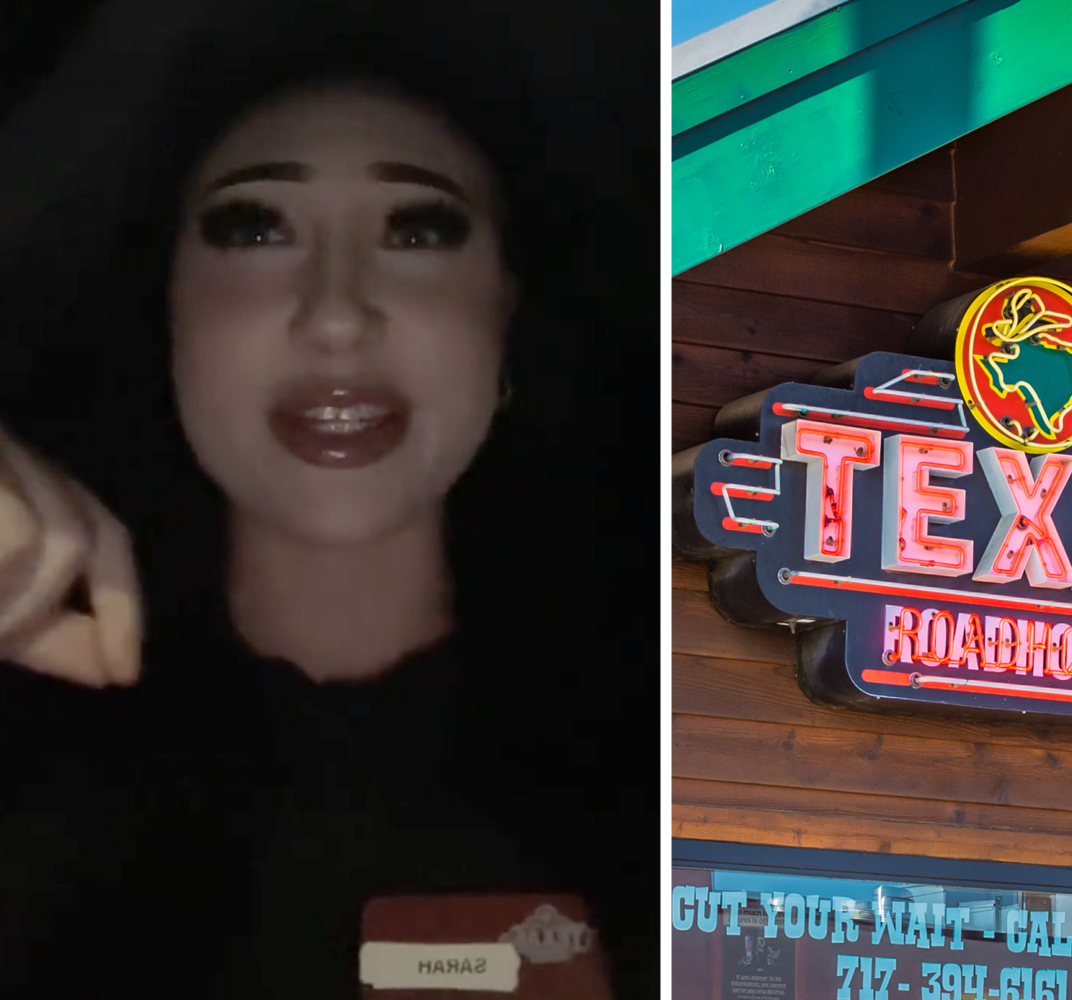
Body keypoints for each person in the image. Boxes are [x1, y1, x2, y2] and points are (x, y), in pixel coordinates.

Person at [0, 6, 658, 995]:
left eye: (419, 228)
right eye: (254, 226)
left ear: (506, 313)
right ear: (166, 304)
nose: (338, 314)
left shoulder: (658, 758)